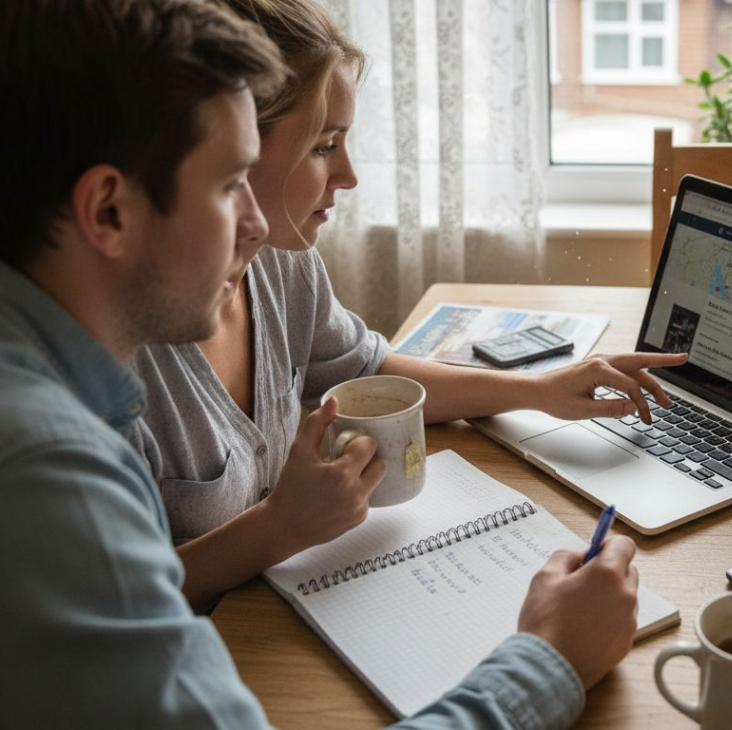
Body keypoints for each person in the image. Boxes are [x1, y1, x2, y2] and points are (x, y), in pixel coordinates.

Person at [0, 1, 639, 726]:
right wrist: (548, 661)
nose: (252, 226)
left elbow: (363, 369)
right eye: (226, 183)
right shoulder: (48, 471)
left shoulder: (63, 377)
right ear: (109, 211)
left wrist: (534, 389)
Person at [130, 0, 686, 613]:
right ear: (234, 143)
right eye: (324, 145)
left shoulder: (284, 266)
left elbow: (370, 376)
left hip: (292, 607)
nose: (349, 174)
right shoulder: (125, 349)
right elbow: (106, 602)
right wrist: (281, 527)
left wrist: (537, 389)